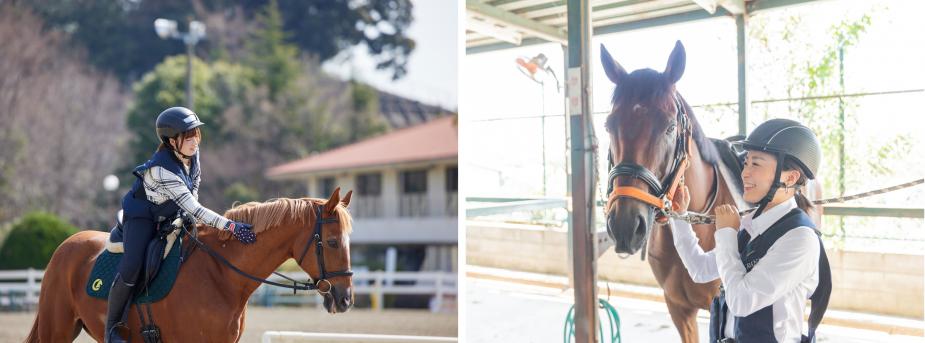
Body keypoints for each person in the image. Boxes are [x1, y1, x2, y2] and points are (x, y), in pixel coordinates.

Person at [670, 118, 831, 343]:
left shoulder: (800, 239)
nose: (745, 173)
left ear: (790, 177)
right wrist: (679, 217)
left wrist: (726, 234)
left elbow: (741, 302)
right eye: (746, 163)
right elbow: (700, 269)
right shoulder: (751, 226)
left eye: (756, 164)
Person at [105, 107, 258, 343]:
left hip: (171, 212)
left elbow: (193, 192)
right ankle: (112, 328)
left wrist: (188, 215)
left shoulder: (192, 155)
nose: (194, 141)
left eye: (196, 134)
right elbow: (195, 208)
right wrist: (231, 227)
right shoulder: (160, 169)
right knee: (132, 264)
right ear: (171, 140)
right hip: (142, 217)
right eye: (188, 136)